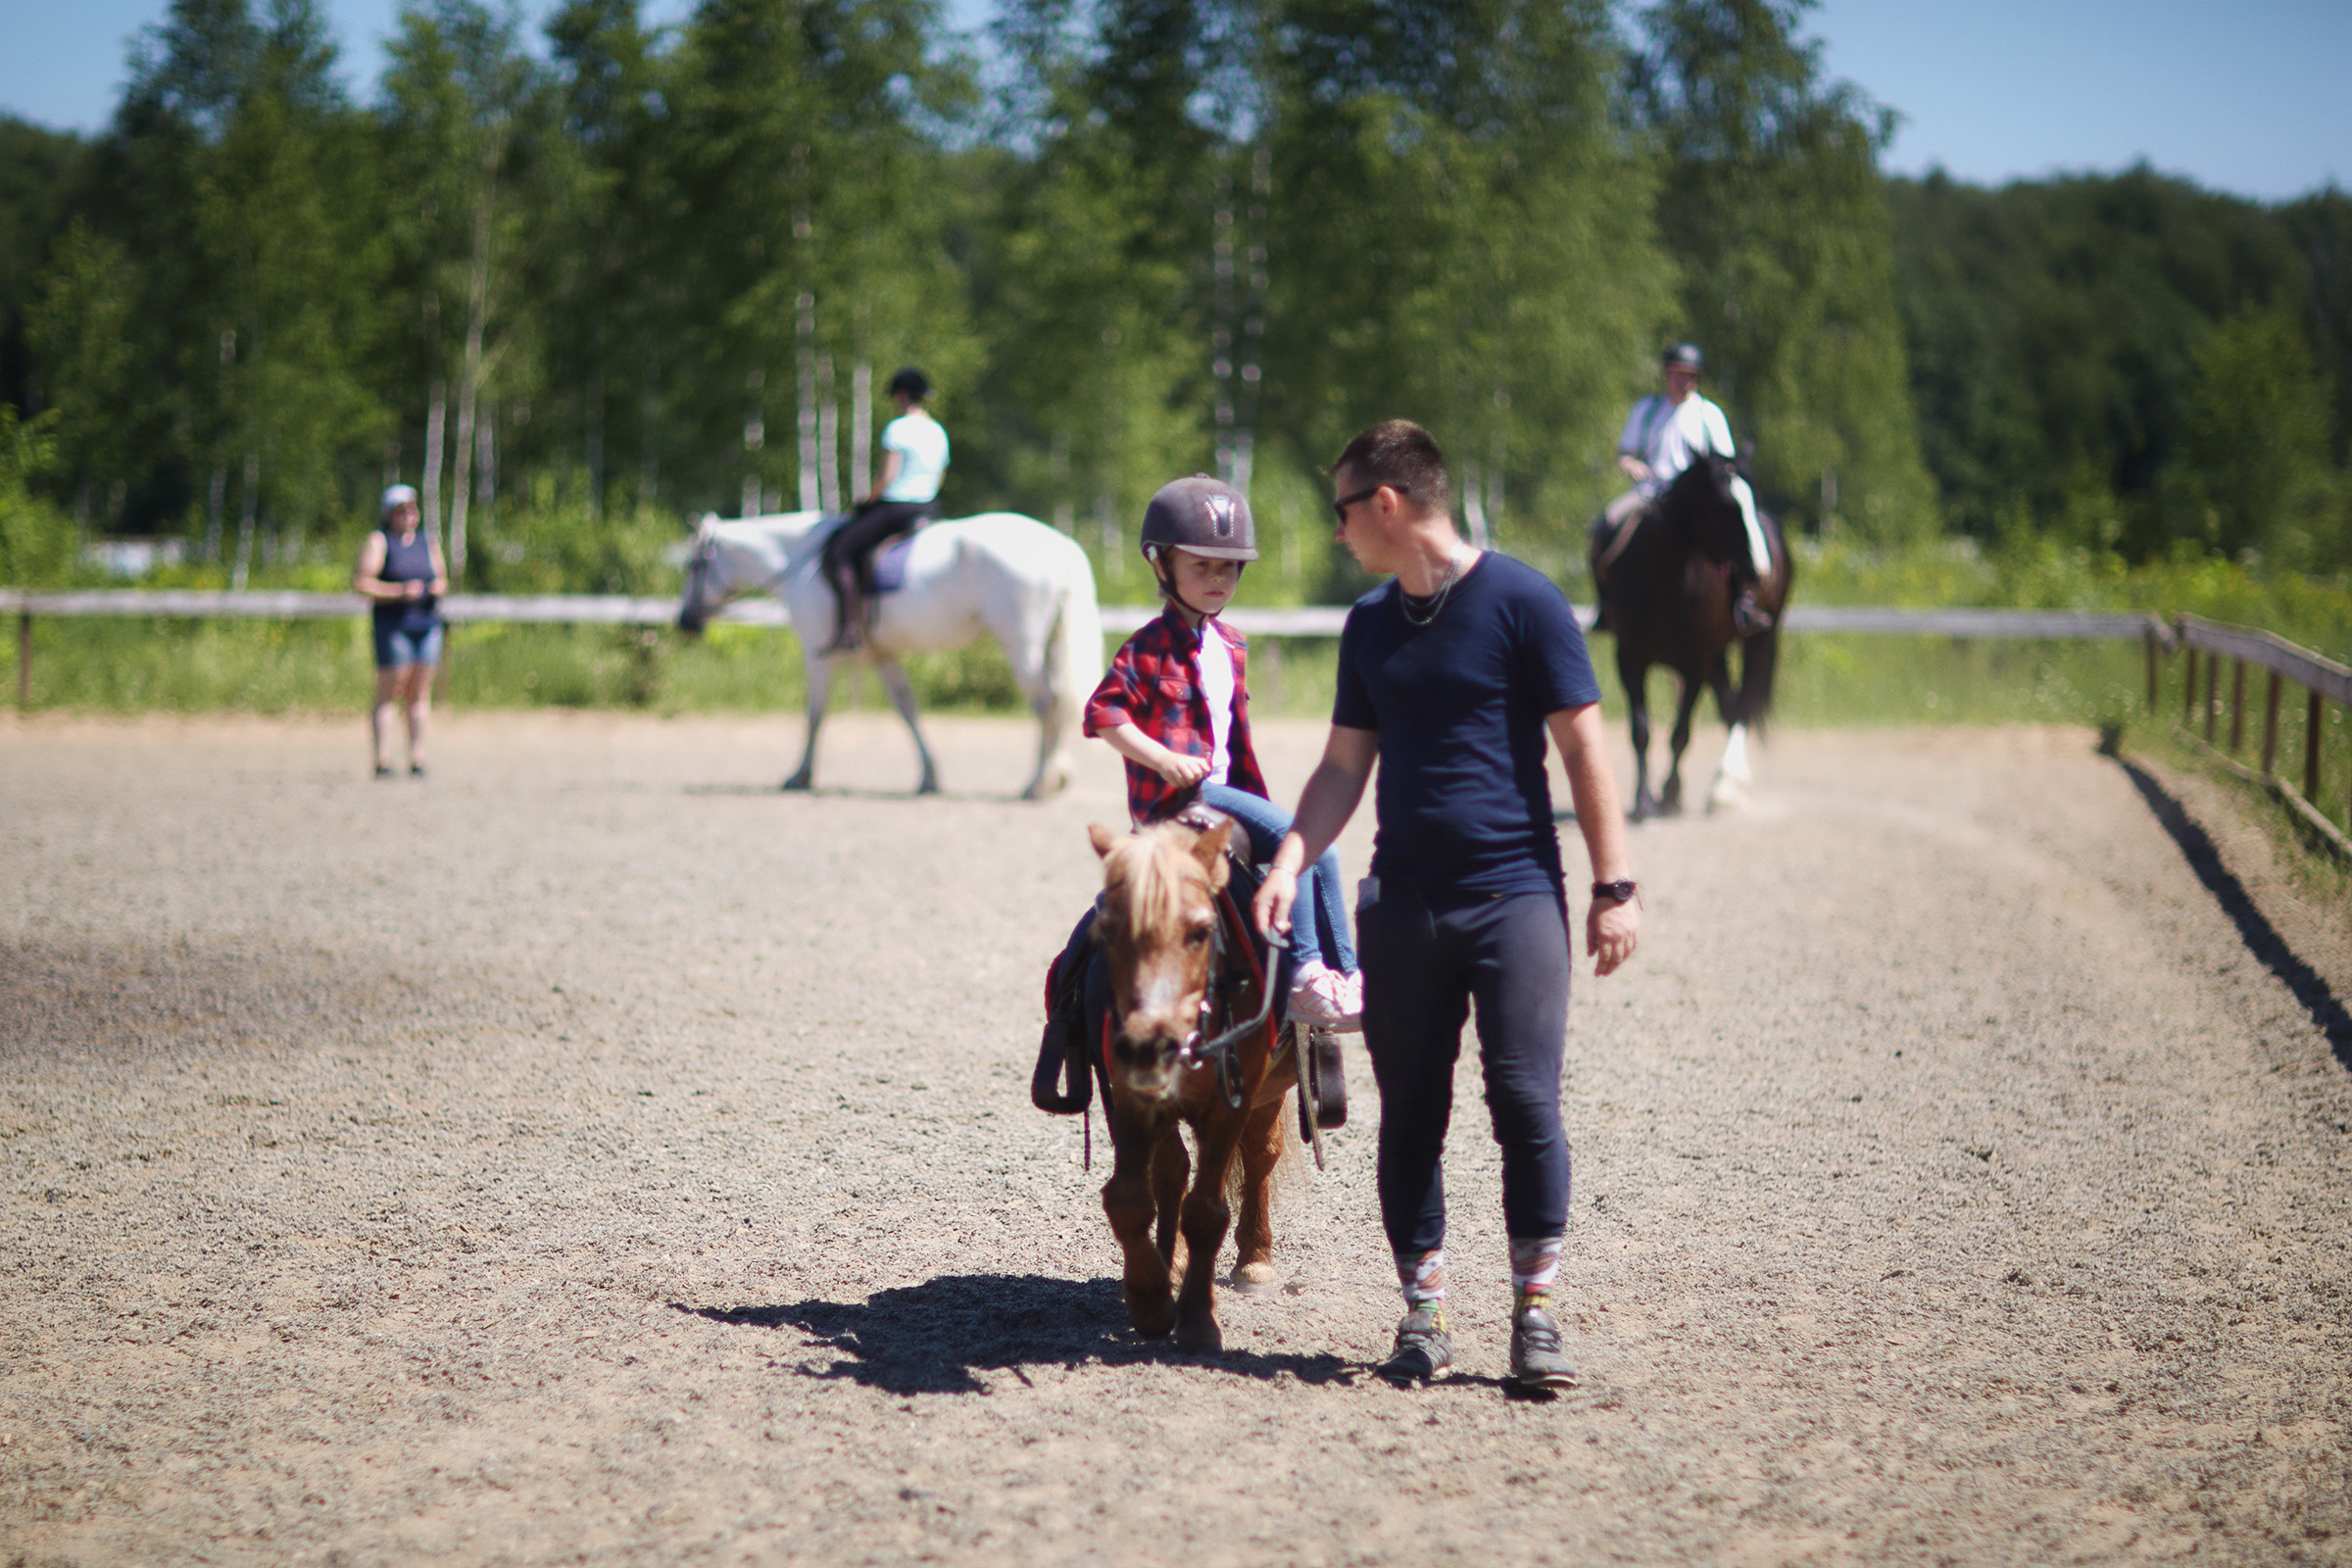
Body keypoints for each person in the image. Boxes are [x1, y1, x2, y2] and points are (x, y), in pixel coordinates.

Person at [1252, 419, 1640, 1392]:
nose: (1338, 532)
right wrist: (1292, 857)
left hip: (1514, 896)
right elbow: (1344, 765)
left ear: (1386, 503)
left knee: (1525, 1101)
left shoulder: (1523, 602)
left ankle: (1536, 1315)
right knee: (1411, 1114)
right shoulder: (1371, 625)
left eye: (1343, 511)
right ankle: (1422, 1316)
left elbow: (1585, 749)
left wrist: (1614, 886)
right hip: (1404, 907)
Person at [1083, 475, 1363, 1028]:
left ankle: (1346, 975)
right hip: (1177, 800)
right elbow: (1103, 715)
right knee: (1293, 839)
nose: (1217, 579)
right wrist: (1162, 759)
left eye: (1228, 567)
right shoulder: (1147, 646)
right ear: (1162, 566)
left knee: (1321, 851)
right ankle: (1306, 976)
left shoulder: (1231, 644)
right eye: (1201, 565)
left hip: (1227, 795)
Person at [1593, 342, 1774, 634]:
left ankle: (1744, 600)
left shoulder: (1708, 414)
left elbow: (1724, 461)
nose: (1683, 381)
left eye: (1689, 375)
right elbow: (1625, 454)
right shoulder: (1647, 410)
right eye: (1677, 374)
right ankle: (1606, 605)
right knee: (1605, 526)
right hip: (1652, 493)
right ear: (1666, 374)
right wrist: (1633, 466)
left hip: (1697, 502)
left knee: (1730, 536)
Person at [821, 367, 948, 653]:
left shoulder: (898, 428)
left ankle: (849, 629)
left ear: (901, 396)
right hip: (930, 506)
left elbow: (888, 477)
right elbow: (940, 476)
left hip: (897, 507)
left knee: (839, 551)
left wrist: (868, 500)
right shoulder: (938, 431)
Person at [353, 483, 448, 779]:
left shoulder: (427, 541)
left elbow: (442, 578)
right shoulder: (379, 541)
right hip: (393, 625)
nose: (407, 515)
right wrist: (399, 592)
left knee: (419, 691)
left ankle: (417, 757)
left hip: (426, 624)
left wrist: (434, 589)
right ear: (389, 513)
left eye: (411, 509)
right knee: (390, 690)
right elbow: (362, 582)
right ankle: (382, 759)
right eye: (401, 510)